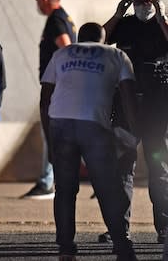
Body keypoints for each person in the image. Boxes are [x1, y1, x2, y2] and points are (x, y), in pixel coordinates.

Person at [41, 22, 138, 261]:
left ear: (78, 38)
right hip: (94, 123)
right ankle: (122, 245)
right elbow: (128, 96)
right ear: (103, 39)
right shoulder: (116, 55)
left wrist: (49, 140)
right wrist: (133, 133)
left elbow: (45, 98)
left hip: (60, 121)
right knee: (107, 187)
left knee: (64, 189)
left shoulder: (61, 53)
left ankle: (66, 248)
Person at [104, 0, 168, 244]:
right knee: (121, 168)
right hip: (127, 104)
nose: (143, 5)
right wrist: (118, 15)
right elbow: (101, 38)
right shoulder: (127, 24)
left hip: (156, 107)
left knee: (159, 166)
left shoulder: (162, 24)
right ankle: (119, 228)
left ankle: (164, 228)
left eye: (148, 0)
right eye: (138, 2)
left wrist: (163, 16)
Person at [21, 0, 76, 200]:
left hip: (56, 86)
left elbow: (66, 48)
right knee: (54, 131)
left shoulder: (56, 20)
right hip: (60, 85)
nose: (36, 2)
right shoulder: (64, 17)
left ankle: (47, 181)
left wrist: (62, 81)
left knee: (51, 129)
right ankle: (49, 179)